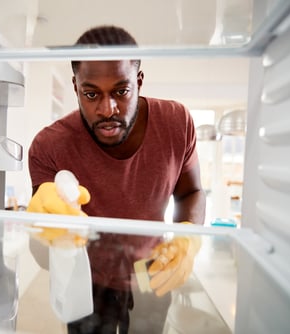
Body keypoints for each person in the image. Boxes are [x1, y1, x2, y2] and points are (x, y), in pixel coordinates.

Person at [27, 25, 206, 334]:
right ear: (75, 87)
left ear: (138, 81)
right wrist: (46, 233)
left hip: (152, 273)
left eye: (121, 91)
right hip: (87, 281)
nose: (107, 109)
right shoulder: (49, 145)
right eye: (91, 94)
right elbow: (44, 252)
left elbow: (192, 191)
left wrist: (188, 236)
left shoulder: (177, 123)